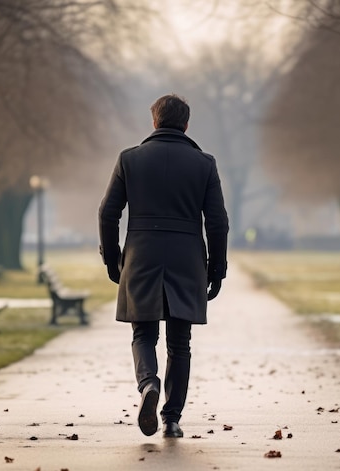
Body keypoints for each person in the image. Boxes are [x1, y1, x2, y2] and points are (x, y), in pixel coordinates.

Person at [98, 94, 229, 438]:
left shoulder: (130, 160)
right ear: (186, 125)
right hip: (186, 257)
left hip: (142, 253)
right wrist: (217, 269)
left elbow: (108, 213)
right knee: (180, 342)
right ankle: (171, 419)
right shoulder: (204, 164)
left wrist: (113, 260)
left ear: (154, 121)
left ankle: (148, 385)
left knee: (142, 332)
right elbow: (217, 222)